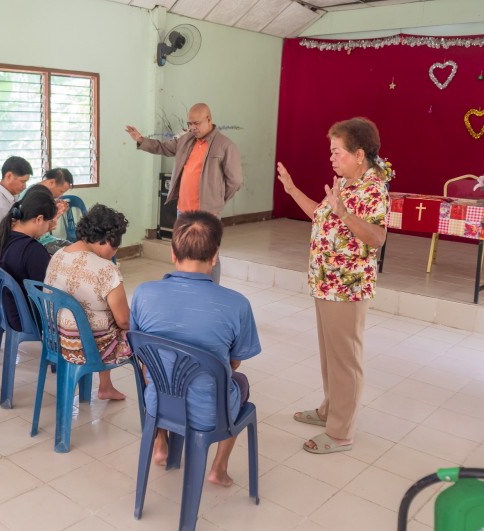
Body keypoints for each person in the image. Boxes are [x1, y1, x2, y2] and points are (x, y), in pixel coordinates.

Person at [276, 117, 390, 454]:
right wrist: (292, 190)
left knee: (345, 359)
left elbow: (377, 237)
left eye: (336, 152)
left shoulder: (372, 188)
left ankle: (341, 432)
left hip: (347, 288)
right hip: (326, 283)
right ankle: (329, 410)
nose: (331, 158)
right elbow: (320, 216)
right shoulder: (345, 183)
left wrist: (344, 214)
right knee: (330, 355)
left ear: (358, 154)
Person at [129, 211, 261, 486]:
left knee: (153, 368)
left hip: (158, 401)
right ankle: (218, 468)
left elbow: (141, 352)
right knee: (241, 383)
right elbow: (233, 363)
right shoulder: (237, 304)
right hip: (208, 411)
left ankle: (161, 441)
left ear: (173, 255)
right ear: (215, 258)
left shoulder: (143, 293)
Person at [125, 103, 243, 283]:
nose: (193, 128)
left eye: (197, 123)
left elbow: (235, 181)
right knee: (183, 253)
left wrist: (217, 199)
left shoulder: (225, 145)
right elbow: (164, 148)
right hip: (183, 210)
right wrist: (140, 139)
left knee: (210, 255)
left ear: (209, 120)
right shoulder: (186, 140)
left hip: (207, 213)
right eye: (190, 124)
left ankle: (212, 290)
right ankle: (186, 287)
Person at [44, 204, 131, 401]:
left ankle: (106, 387)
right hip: (86, 349)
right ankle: (152, 409)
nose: (114, 251)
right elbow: (124, 321)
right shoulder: (106, 269)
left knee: (100, 314)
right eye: (116, 246)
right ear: (109, 240)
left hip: (54, 340)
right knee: (135, 332)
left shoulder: (59, 255)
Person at [0, 185, 57, 331]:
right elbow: (48, 291)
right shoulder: (33, 251)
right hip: (27, 317)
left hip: (10, 310)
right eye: (49, 223)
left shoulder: (4, 235)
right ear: (39, 219)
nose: (49, 228)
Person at [0, 156, 33, 234]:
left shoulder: (10, 194)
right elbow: (7, 239)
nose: (24, 186)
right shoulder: (0, 207)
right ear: (9, 176)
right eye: (22, 181)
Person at [35, 168, 74, 254]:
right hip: (40, 243)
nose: (61, 195)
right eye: (61, 191)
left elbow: (48, 222)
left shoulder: (44, 195)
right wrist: (57, 213)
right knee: (73, 255)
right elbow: (37, 229)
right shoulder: (35, 196)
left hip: (48, 239)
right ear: (51, 182)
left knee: (79, 249)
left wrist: (59, 211)